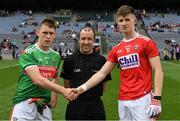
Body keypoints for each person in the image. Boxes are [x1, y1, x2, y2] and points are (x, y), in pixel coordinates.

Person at [74, 5, 163, 121]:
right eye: (121, 20)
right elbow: (102, 73)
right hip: (123, 100)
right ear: (117, 23)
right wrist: (80, 89)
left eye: (127, 19)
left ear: (134, 21)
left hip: (143, 98)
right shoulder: (116, 49)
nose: (124, 23)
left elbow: (158, 70)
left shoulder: (146, 42)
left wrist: (156, 98)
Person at [10, 18, 76, 121]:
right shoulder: (28, 52)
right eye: (45, 33)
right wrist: (63, 90)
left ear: (55, 35)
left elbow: (54, 76)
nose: (48, 36)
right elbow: (37, 80)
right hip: (25, 102)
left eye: (51, 33)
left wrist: (54, 94)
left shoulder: (56, 56)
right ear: (38, 33)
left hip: (44, 104)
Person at [60, 27, 111, 120]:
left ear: (94, 40)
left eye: (89, 39)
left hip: (96, 107)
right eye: (83, 38)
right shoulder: (69, 60)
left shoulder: (101, 60)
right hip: (75, 107)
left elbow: (104, 87)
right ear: (79, 40)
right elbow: (66, 84)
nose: (86, 42)